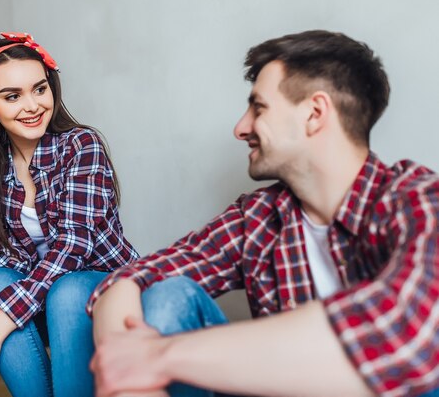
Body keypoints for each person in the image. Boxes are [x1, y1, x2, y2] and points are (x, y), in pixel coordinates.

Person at [88, 30, 439, 397]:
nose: (241, 128)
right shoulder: (258, 217)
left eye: (258, 107)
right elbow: (130, 279)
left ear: (315, 114)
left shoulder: (419, 198)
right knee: (166, 297)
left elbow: (408, 336)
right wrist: (125, 364)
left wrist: (160, 356)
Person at [0, 32, 138, 397]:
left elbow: (73, 249)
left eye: (40, 89)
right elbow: (20, 262)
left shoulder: (81, 145)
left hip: (105, 297)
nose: (32, 105)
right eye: (12, 96)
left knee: (66, 291)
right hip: (44, 300)